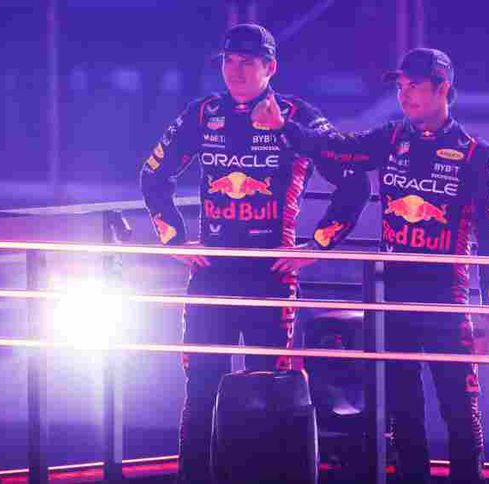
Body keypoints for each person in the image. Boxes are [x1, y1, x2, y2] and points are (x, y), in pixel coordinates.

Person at [252, 47, 489, 483]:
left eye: (415, 87)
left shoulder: (476, 155)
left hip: (446, 300)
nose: (404, 95)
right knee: (402, 412)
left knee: (460, 409)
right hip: (390, 297)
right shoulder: (391, 138)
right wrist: (285, 128)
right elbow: (338, 150)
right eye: (400, 87)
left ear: (443, 89)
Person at [139, 23, 369, 483]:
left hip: (272, 276)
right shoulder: (203, 114)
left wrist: (318, 245)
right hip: (211, 273)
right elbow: (153, 175)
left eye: (247, 62)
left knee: (272, 393)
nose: (236, 71)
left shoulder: (297, 117)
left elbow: (354, 182)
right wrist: (173, 239)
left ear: (270, 67)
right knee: (200, 391)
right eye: (228, 61)